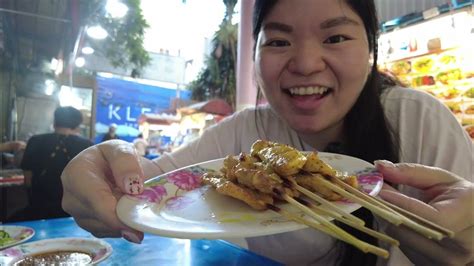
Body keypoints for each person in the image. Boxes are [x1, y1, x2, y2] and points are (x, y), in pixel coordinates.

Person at [61, 0, 473, 265]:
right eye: (278, 41)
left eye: (335, 37)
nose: (307, 63)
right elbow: (153, 185)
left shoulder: (418, 118)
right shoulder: (246, 131)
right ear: (255, 55)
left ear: (370, 49)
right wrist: (107, 168)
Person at [21, 106, 93, 220]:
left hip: (39, 206)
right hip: (74, 210)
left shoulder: (35, 141)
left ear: (55, 122)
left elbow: (27, 178)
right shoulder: (87, 145)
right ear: (78, 125)